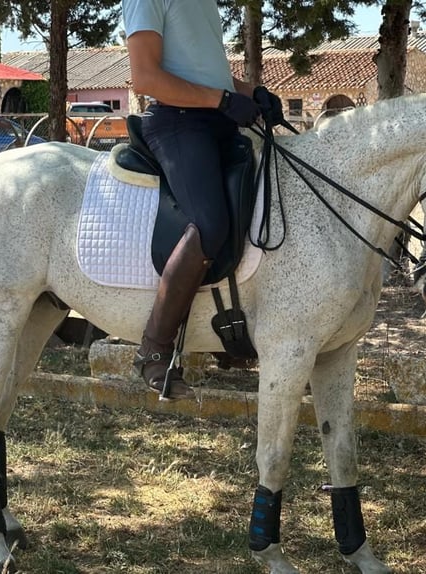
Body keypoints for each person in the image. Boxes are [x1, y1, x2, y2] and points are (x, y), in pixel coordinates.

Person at [122, 0, 282, 400]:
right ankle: (154, 348)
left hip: (217, 122)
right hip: (177, 124)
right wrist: (223, 101)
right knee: (210, 224)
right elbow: (145, 78)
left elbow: (209, 75)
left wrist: (253, 93)